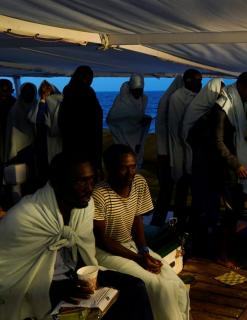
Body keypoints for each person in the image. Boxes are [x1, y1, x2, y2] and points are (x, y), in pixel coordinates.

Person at [0, 152, 153, 320]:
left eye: (91, 180)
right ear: (57, 183)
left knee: (135, 287)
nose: (89, 189)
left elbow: (84, 250)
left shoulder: (85, 207)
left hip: (76, 275)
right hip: (42, 287)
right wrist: (54, 288)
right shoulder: (24, 217)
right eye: (81, 182)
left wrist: (87, 278)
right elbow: (6, 276)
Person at [93, 144, 190, 320]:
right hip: (105, 252)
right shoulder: (99, 194)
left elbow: (137, 220)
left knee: (176, 284)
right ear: (109, 169)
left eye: (133, 166)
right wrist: (139, 258)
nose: (131, 173)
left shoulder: (138, 183)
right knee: (157, 286)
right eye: (123, 168)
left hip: (131, 246)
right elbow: (103, 240)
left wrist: (144, 251)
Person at [212, 71, 247, 268]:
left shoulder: (241, 103)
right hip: (228, 169)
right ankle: (222, 254)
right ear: (241, 86)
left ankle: (229, 249)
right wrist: (235, 163)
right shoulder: (223, 106)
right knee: (229, 213)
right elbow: (218, 141)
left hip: (239, 168)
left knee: (238, 211)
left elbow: (241, 134)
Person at [182, 78, 224, 256]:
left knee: (208, 205)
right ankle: (198, 245)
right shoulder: (199, 112)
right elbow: (191, 136)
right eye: (219, 93)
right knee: (201, 206)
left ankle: (203, 242)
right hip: (199, 164)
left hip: (206, 164)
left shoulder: (206, 110)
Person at [168, 69, 202, 231]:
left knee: (195, 193)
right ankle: (178, 226)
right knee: (181, 191)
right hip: (182, 151)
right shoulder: (177, 98)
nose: (200, 84)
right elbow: (177, 128)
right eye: (197, 80)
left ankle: (192, 225)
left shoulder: (198, 98)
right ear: (188, 81)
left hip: (194, 153)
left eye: (201, 80)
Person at [59, 65, 103, 172]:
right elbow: (93, 117)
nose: (91, 81)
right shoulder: (86, 92)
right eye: (90, 78)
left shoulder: (68, 91)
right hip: (87, 141)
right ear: (85, 77)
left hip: (71, 140)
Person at [153, 75, 183, 226]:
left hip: (168, 154)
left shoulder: (167, 101)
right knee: (166, 192)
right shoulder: (170, 102)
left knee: (167, 193)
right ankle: (158, 224)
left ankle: (161, 222)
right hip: (166, 156)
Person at [107, 74, 152, 168]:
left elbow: (138, 116)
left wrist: (142, 119)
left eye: (140, 90)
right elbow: (112, 118)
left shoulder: (143, 99)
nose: (138, 93)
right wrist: (137, 118)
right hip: (123, 136)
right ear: (131, 90)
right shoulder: (122, 101)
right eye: (136, 91)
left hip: (137, 136)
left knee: (137, 159)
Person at [28, 80, 63, 189]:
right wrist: (42, 99)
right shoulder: (40, 103)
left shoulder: (59, 101)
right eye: (43, 88)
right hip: (43, 140)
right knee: (44, 166)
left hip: (55, 140)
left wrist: (44, 99)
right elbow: (36, 119)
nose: (45, 90)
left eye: (47, 87)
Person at [0, 79, 16, 163]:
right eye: (2, 90)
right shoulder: (16, 103)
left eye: (6, 90)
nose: (4, 93)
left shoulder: (16, 104)